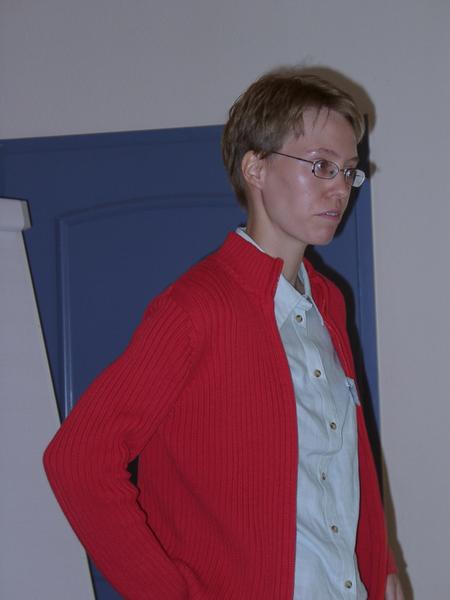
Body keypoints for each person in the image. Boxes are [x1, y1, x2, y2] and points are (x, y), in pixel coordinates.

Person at [44, 67, 404, 599]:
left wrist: (382, 567)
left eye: (349, 172)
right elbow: (77, 460)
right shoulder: (196, 309)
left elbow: (345, 463)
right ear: (255, 168)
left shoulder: (327, 302)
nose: (339, 189)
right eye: (321, 165)